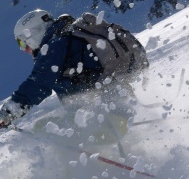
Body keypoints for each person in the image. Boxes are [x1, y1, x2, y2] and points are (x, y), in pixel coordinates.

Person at [0, 9, 148, 132]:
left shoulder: (54, 46)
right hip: (117, 104)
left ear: (33, 33)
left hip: (107, 118)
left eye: (21, 42)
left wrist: (7, 113)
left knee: (42, 128)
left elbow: (39, 83)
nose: (24, 49)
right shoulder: (70, 36)